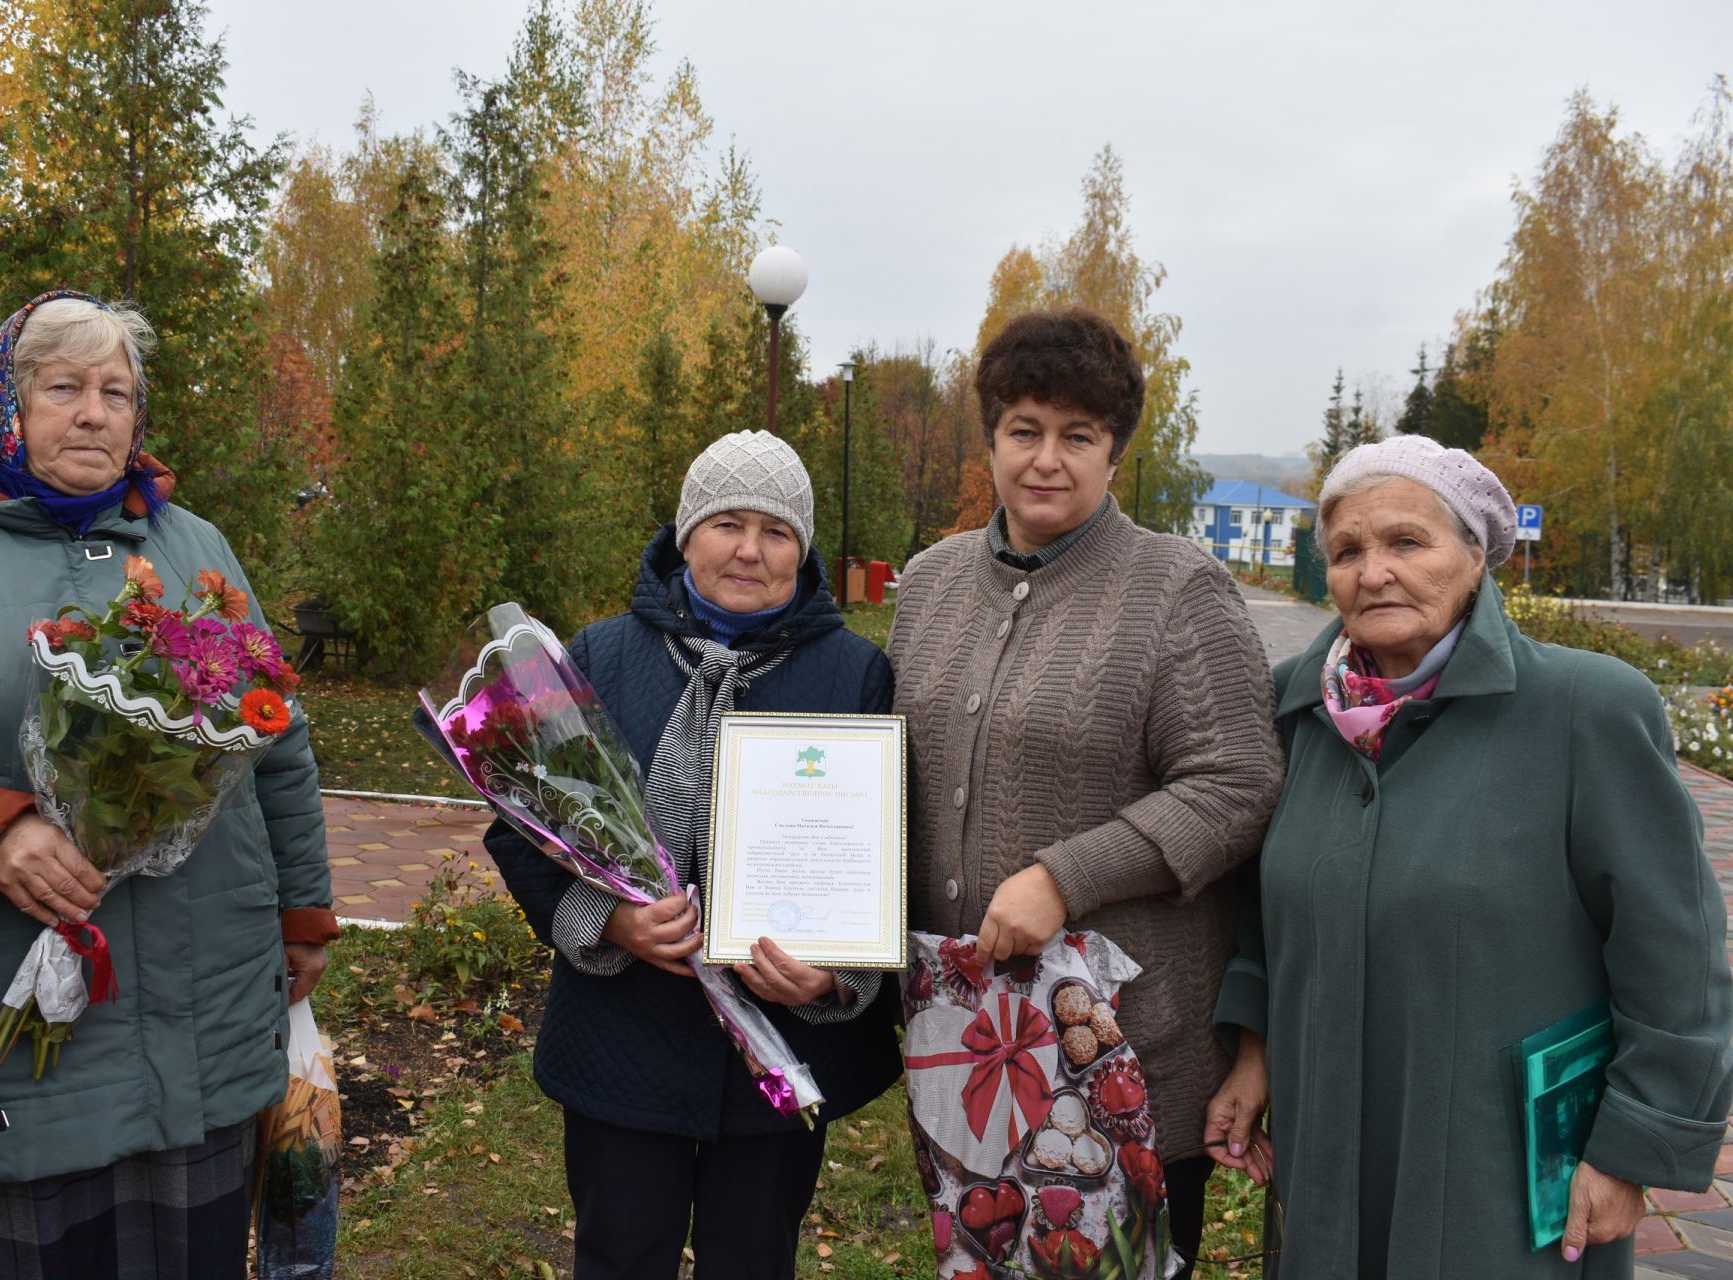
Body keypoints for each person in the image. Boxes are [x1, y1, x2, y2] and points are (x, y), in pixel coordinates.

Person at [0, 291, 338, 1279]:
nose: (95, 411)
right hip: (5, 1029)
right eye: (63, 387)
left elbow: (277, 731)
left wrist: (303, 913)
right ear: (5, 401)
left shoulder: (196, 550)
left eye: (117, 390)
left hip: (202, 1017)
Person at [1205, 435, 1733, 1277]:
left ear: (1476, 555)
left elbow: (1677, 953)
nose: (1373, 571)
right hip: (1327, 1147)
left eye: (1407, 542)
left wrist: (1636, 1148)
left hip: (1503, 1174)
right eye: (1347, 550)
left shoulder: (1583, 709)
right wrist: (1255, 1050)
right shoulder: (1293, 712)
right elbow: (1264, 916)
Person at [886, 307, 1284, 1276]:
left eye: (1079, 435)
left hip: (1123, 1055)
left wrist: (1065, 875)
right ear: (991, 439)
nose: (1047, 458)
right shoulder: (932, 582)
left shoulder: (1177, 589)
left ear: (1116, 450)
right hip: (969, 1044)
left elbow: (1237, 781)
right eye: (1025, 429)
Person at [485, 430, 902, 1280]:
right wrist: (612, 921)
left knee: (752, 1262)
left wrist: (834, 978)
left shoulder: (855, 674)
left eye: (777, 531)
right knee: (619, 1257)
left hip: (775, 1057)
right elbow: (517, 826)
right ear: (686, 534)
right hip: (623, 1042)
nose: (750, 549)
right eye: (727, 523)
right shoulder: (598, 656)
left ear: (803, 549)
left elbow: (887, 855)